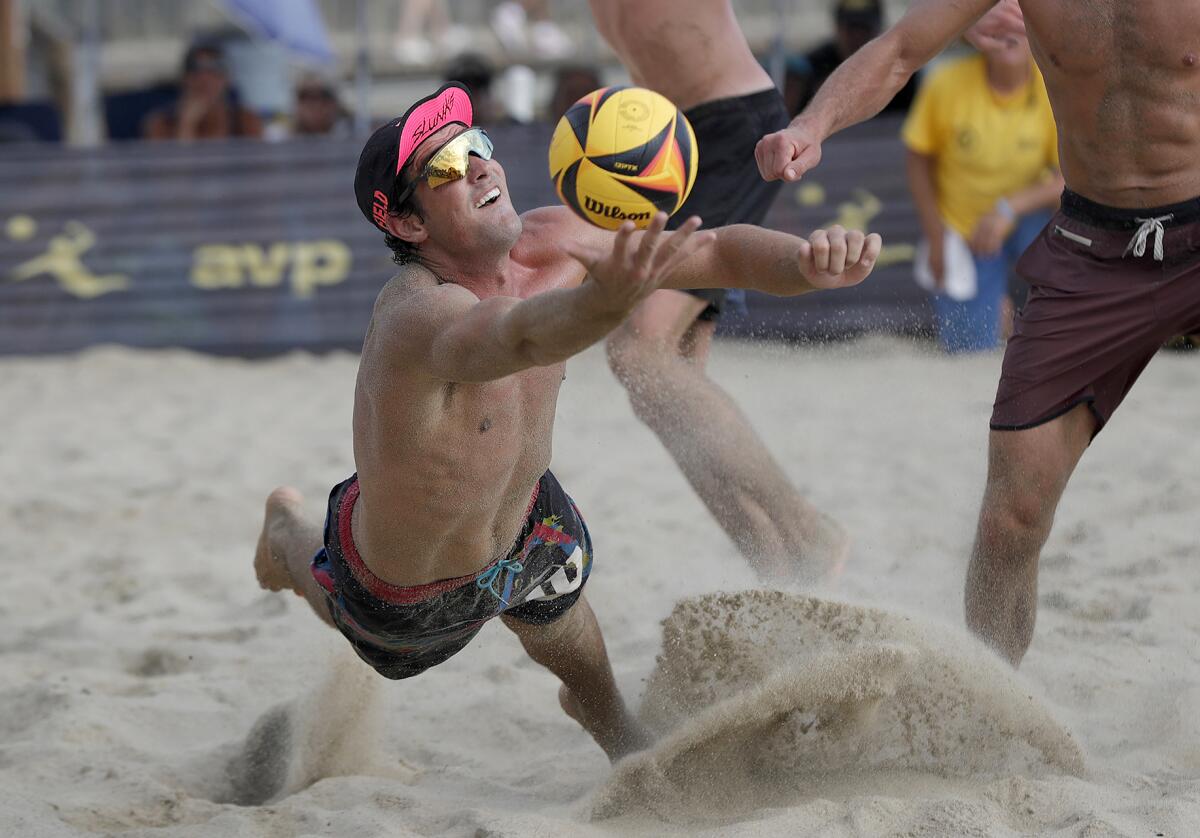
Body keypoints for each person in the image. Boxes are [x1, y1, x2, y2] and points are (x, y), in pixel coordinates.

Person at [254, 82, 882, 760]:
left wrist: (808, 263)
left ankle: (615, 729)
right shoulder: (417, 313)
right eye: (443, 169)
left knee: (562, 615)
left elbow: (721, 253)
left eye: (475, 147)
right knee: (369, 634)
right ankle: (286, 534)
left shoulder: (557, 241)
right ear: (409, 225)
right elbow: (520, 339)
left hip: (527, 521)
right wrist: (609, 302)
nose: (477, 167)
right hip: (407, 587)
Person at [757, 0, 1200, 666]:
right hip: (1092, 249)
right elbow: (901, 49)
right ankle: (992, 702)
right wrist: (812, 124)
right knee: (1008, 521)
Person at [588, 0, 851, 584]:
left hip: (727, 128)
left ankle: (808, 530)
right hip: (666, 148)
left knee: (636, 351)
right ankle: (777, 569)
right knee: (663, 383)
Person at [903, 8, 1063, 352]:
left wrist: (1008, 208)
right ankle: (999, 309)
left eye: (1021, 18)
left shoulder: (1055, 86)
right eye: (998, 18)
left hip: (1025, 220)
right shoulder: (945, 82)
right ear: (978, 32)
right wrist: (935, 237)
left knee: (1072, 235)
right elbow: (917, 161)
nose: (1009, 30)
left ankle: (1051, 314)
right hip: (964, 230)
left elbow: (1070, 179)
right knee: (966, 346)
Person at [784, 0, 917, 117]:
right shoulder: (811, 67)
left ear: (879, 29)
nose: (857, 37)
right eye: (851, 29)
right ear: (837, 29)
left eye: (864, 29)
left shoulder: (901, 68)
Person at [142, 40, 263, 142]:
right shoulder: (161, 123)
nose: (204, 78)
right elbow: (169, 168)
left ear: (227, 79)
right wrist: (186, 125)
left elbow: (259, 166)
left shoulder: (246, 120)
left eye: (215, 70)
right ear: (185, 78)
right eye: (196, 69)